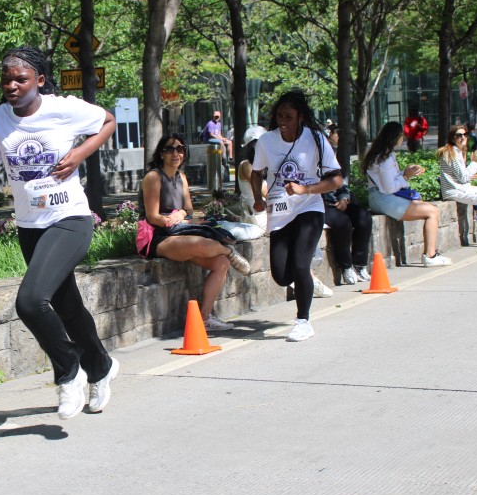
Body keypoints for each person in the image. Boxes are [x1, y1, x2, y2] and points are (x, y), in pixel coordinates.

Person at [0, 46, 117, 420]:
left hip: (69, 219)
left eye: (20, 79)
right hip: (30, 226)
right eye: (6, 80)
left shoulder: (63, 108)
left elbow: (109, 121)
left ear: (39, 80)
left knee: (30, 301)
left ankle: (69, 372)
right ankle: (101, 367)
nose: (12, 86)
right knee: (67, 307)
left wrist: (80, 153)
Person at [250, 90, 343, 342]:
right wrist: (258, 198)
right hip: (279, 211)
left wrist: (306, 189)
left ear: (300, 117)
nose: (283, 121)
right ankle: (304, 278)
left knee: (301, 264)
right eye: (280, 116)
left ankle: (303, 321)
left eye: (288, 117)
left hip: (308, 207)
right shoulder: (266, 141)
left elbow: (336, 179)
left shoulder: (316, 139)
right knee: (281, 275)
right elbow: (256, 172)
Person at [139, 133, 251, 333]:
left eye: (180, 149)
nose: (176, 153)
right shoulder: (153, 177)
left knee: (221, 263)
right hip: (158, 237)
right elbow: (152, 217)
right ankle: (229, 251)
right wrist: (174, 220)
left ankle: (204, 318)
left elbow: (189, 209)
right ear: (161, 154)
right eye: (170, 149)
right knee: (201, 244)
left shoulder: (181, 177)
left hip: (180, 230)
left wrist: (181, 214)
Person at [362, 121, 451, 266]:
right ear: (394, 137)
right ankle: (430, 255)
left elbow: (390, 180)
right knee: (432, 212)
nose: (403, 138)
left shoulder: (382, 155)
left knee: (426, 207)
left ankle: (431, 254)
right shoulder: (385, 158)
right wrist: (405, 176)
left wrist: (406, 172)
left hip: (379, 198)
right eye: (401, 135)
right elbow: (389, 188)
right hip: (384, 198)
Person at [322, 124, 373, 285]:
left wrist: (344, 198)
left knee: (364, 217)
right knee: (343, 223)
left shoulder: (331, 155)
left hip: (337, 200)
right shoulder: (309, 159)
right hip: (320, 204)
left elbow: (341, 182)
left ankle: (360, 264)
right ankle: (346, 266)